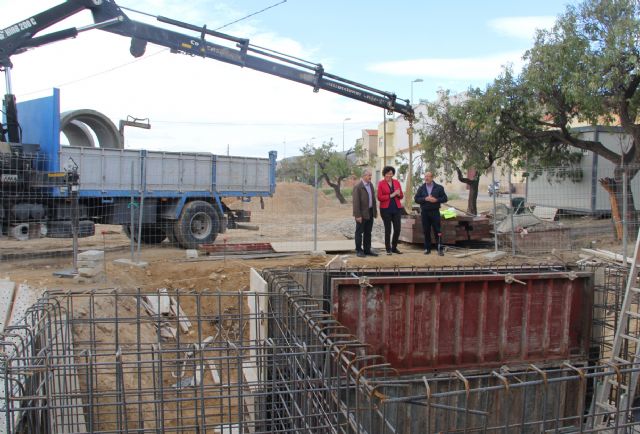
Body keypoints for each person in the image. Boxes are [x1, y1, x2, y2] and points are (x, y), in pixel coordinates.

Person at [414, 171, 448, 255]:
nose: (426, 178)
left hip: (435, 211)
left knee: (437, 230)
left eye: (428, 176)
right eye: (425, 176)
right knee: (426, 231)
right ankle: (427, 248)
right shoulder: (421, 188)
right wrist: (425, 199)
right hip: (424, 212)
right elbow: (416, 199)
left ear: (432, 178)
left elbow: (445, 198)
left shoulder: (439, 187)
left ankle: (439, 249)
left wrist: (436, 200)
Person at [377, 165, 404, 255]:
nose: (389, 176)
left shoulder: (396, 182)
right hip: (385, 209)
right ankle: (388, 248)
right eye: (388, 174)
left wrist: (398, 194)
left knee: (397, 229)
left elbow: (401, 196)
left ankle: (394, 247)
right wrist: (391, 195)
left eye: (391, 174)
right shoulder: (381, 183)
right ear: (384, 174)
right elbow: (379, 197)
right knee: (388, 230)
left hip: (396, 208)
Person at [352, 168, 378, 257]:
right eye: (368, 175)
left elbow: (373, 199)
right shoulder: (358, 187)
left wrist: (375, 212)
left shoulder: (370, 185)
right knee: (359, 232)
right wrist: (357, 215)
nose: (370, 177)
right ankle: (359, 250)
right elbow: (355, 202)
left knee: (368, 232)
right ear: (363, 176)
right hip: (361, 213)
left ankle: (367, 249)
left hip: (370, 212)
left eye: (371, 175)